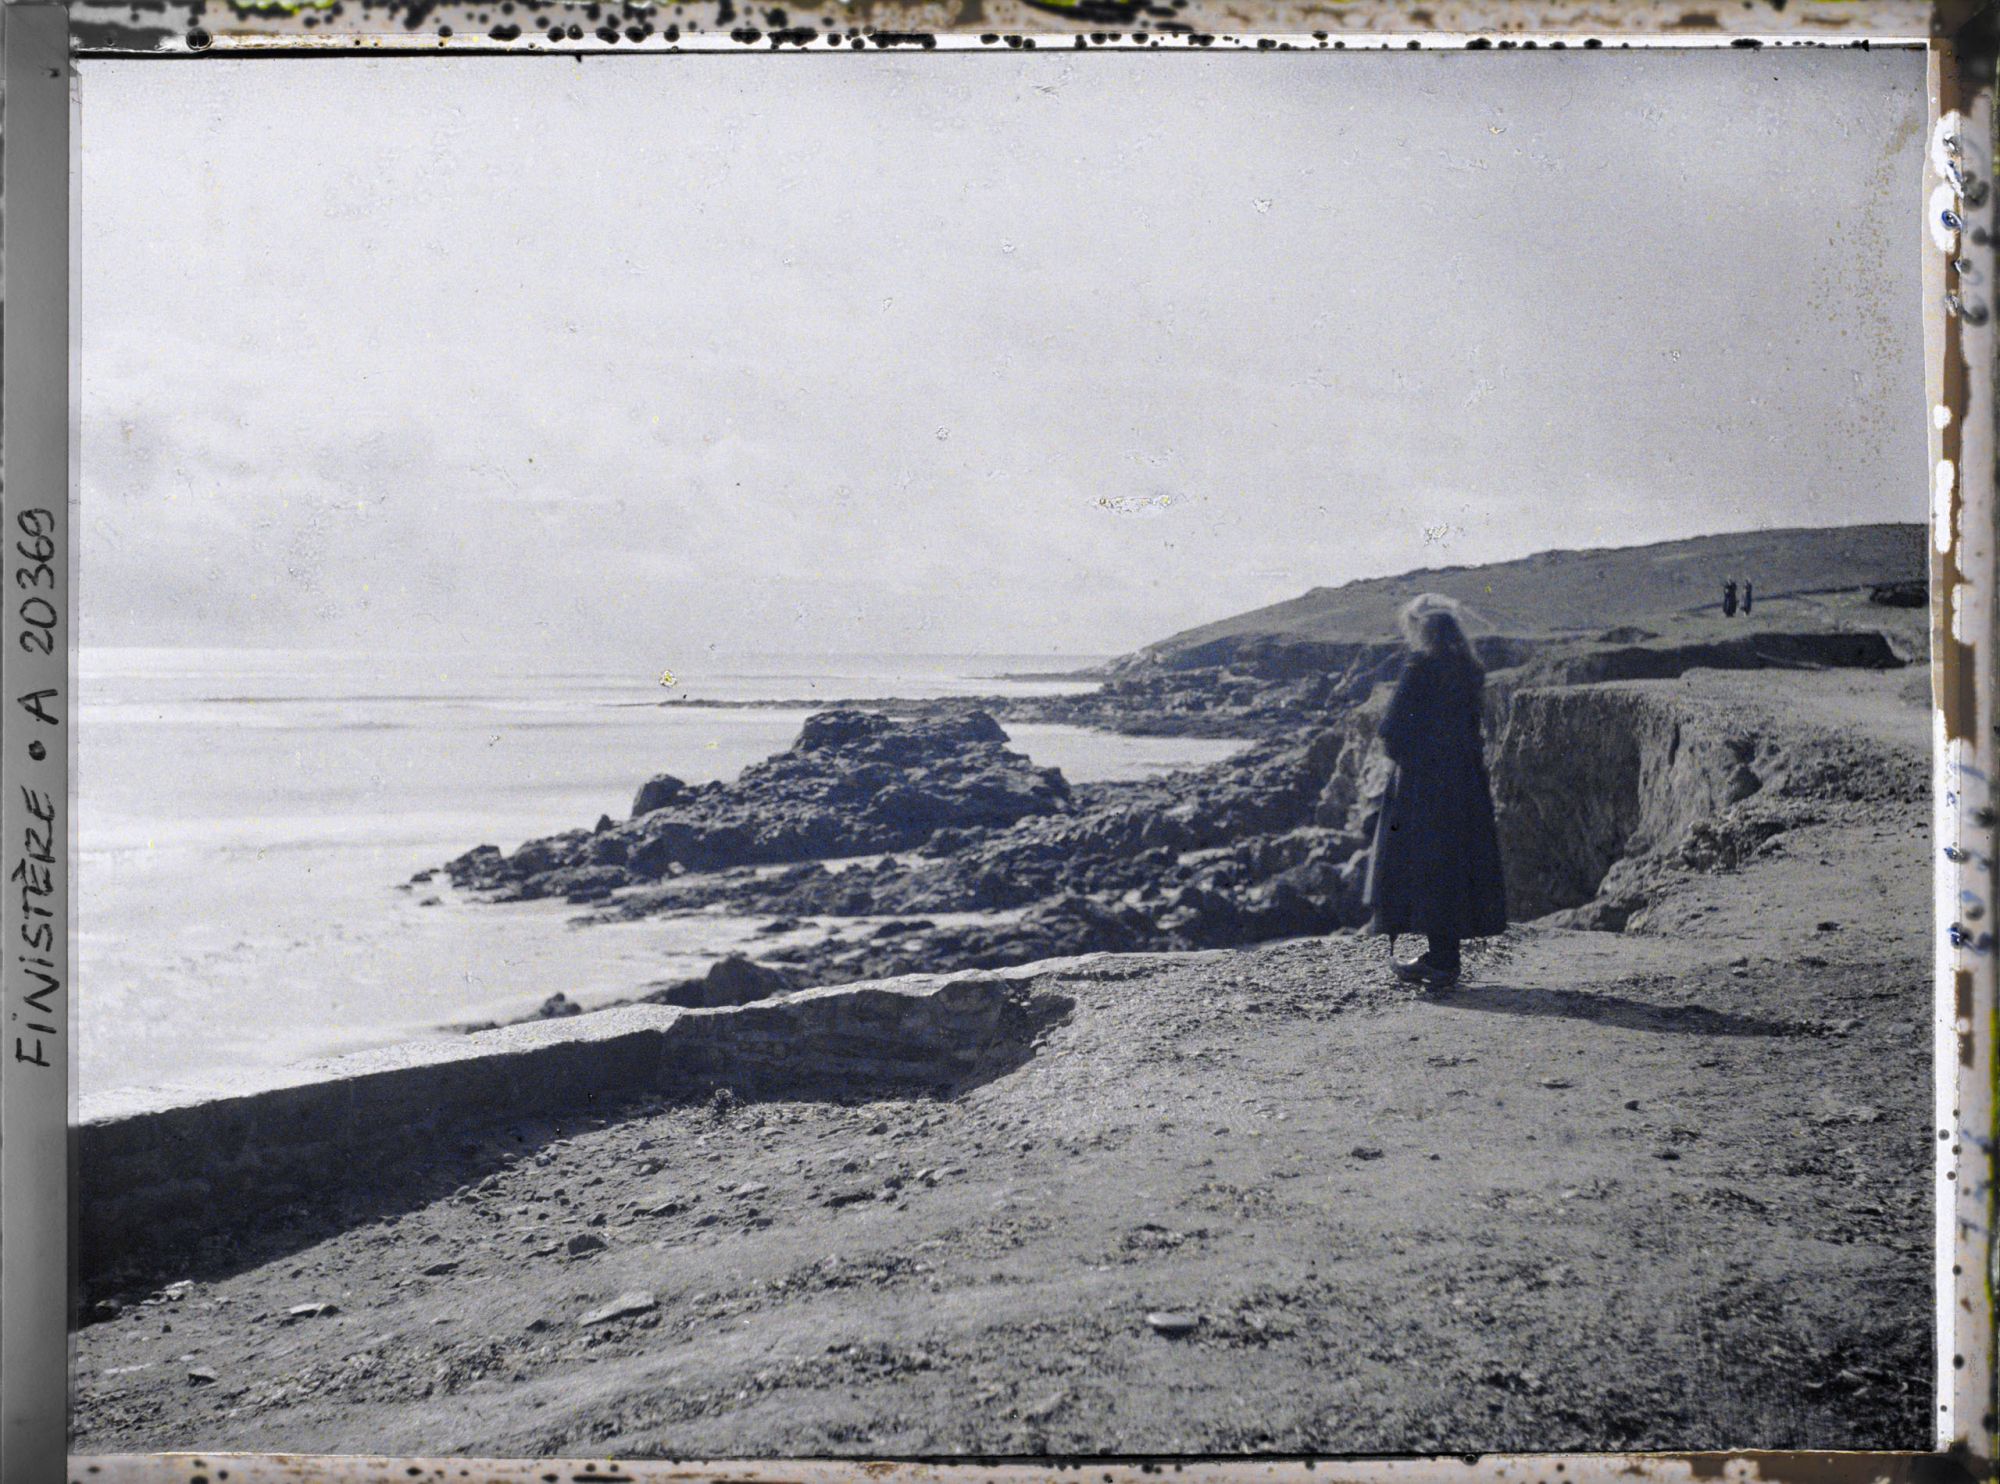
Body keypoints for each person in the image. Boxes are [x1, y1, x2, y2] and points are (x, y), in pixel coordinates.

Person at [1362, 594, 1508, 987]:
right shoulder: (1468, 668)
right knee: (1454, 867)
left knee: (1423, 867)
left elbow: (1392, 732)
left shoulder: (1420, 666)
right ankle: (1444, 957)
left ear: (1419, 627)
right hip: (1465, 786)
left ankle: (1441, 961)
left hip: (1422, 788)